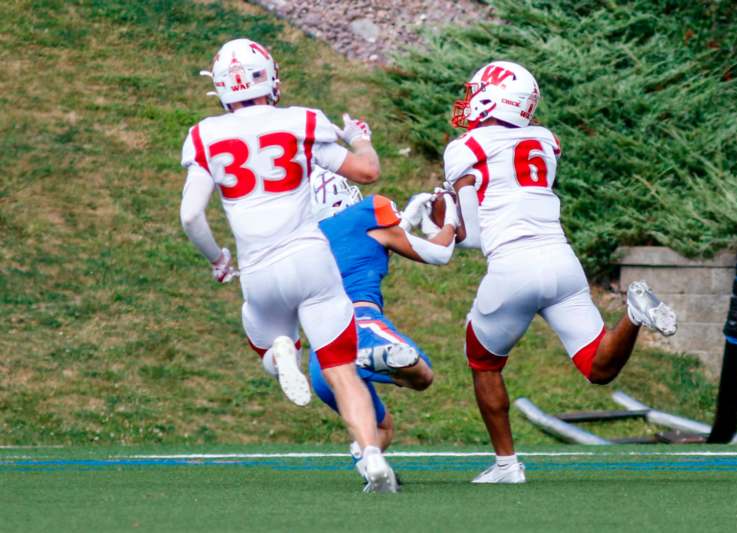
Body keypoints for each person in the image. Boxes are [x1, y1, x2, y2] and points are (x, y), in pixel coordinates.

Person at [178, 38, 398, 492]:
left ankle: (283, 354)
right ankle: (372, 456)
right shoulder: (302, 121)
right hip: (311, 260)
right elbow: (365, 171)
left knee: (269, 347)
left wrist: (219, 259)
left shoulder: (205, 134)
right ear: (270, 78)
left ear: (221, 87)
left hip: (259, 271)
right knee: (340, 370)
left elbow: (190, 215)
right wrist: (360, 136)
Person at [444, 61, 678, 484]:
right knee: (598, 369)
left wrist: (438, 224)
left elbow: (471, 235)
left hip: (512, 266)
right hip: (561, 261)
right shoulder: (546, 141)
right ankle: (633, 314)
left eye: (476, 90)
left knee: (483, 363)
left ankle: (506, 466)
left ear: (494, 97)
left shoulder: (467, 146)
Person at [307, 167, 459, 480]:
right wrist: (451, 218)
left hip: (320, 353)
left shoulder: (306, 238)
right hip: (357, 324)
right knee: (422, 376)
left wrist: (407, 221)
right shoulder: (367, 212)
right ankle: (371, 358)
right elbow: (441, 253)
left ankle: (366, 460)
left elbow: (361, 246)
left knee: (382, 427)